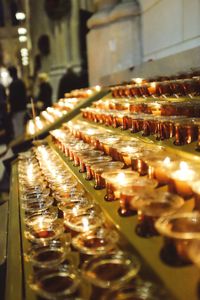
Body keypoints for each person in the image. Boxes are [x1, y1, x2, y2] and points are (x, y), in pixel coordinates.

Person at [8, 66, 27, 139]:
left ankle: (19, 145)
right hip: (22, 108)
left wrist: (11, 111)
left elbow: (13, 99)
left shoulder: (13, 84)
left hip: (17, 110)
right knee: (21, 127)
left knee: (18, 129)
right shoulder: (21, 82)